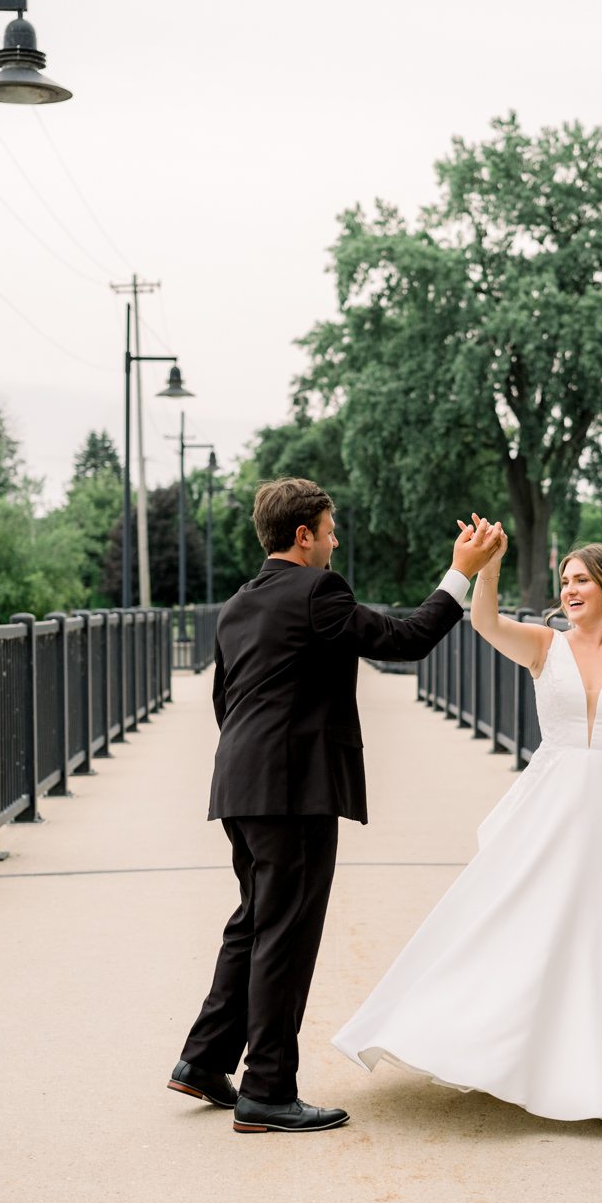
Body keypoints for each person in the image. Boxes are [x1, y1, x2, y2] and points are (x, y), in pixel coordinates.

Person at [332, 530, 602, 1125]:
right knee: (527, 923)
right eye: (565, 581)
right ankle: (505, 1047)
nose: (570, 589)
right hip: (554, 805)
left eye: (581, 579)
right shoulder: (544, 645)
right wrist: (490, 567)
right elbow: (483, 622)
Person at [168, 478, 501, 1133]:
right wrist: (459, 574)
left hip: (239, 783)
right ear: (304, 535)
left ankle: (204, 1058)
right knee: (285, 935)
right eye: (330, 528)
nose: (335, 539)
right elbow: (403, 640)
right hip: (292, 789)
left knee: (255, 920)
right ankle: (266, 1088)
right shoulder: (320, 591)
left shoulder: (237, 604)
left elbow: (224, 700)